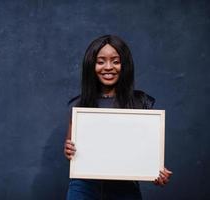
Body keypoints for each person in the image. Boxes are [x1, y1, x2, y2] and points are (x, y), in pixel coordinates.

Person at [64, 35, 172, 200]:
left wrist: (156, 171)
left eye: (116, 61)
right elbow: (70, 149)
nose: (108, 67)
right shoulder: (80, 104)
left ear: (125, 65)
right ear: (91, 66)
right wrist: (68, 149)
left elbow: (148, 149)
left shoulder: (140, 101)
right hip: (84, 188)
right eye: (101, 62)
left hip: (125, 188)